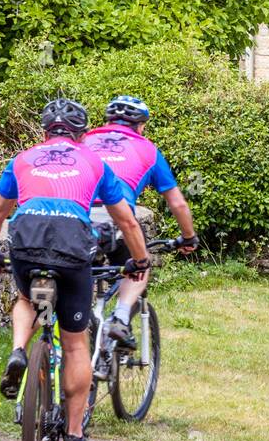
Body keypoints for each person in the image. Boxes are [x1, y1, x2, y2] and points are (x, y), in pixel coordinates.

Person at [0, 98, 150, 441]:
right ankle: (73, 435)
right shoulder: (94, 161)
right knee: (75, 345)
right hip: (73, 245)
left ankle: (19, 351)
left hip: (27, 239)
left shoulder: (22, 159)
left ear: (43, 132)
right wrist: (140, 259)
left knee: (26, 298)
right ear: (83, 134)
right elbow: (126, 221)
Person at [82, 95, 199, 344]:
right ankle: (121, 318)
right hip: (114, 221)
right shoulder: (147, 149)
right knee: (139, 265)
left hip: (74, 219)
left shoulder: (85, 140)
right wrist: (188, 237)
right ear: (140, 126)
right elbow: (177, 202)